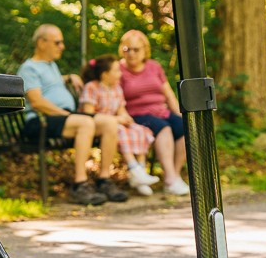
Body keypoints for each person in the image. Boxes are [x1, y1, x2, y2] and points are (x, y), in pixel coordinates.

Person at [17, 24, 127, 205]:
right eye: (57, 42)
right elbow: (36, 102)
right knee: (85, 123)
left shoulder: (51, 66)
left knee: (109, 123)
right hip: (40, 121)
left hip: (62, 118)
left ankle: (104, 180)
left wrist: (68, 77)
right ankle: (79, 184)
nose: (62, 46)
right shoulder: (28, 68)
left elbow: (50, 84)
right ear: (41, 43)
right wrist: (65, 114)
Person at [118, 29, 189, 195]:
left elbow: (168, 93)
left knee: (183, 128)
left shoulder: (153, 67)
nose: (132, 54)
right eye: (127, 49)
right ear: (122, 50)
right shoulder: (119, 70)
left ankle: (174, 175)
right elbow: (116, 99)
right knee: (164, 128)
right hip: (137, 114)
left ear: (145, 50)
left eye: (136, 49)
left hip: (161, 111)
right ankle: (171, 179)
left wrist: (179, 113)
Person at [79, 55, 160, 196]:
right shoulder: (92, 87)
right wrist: (117, 119)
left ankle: (139, 173)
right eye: (116, 71)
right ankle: (134, 168)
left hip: (116, 122)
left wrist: (126, 118)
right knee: (120, 131)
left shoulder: (116, 88)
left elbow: (122, 110)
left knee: (140, 130)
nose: (120, 74)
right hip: (99, 125)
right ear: (105, 75)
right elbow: (89, 113)